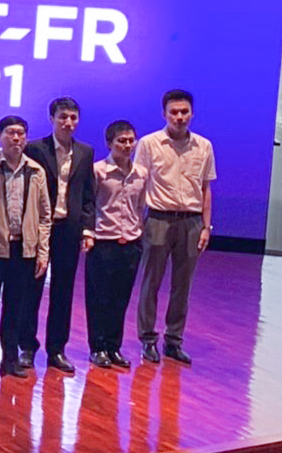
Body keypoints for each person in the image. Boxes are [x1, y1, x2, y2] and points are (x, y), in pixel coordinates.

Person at [136, 89, 215, 366]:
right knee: (151, 282)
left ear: (192, 114)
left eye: (184, 112)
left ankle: (174, 341)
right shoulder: (148, 144)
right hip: (158, 219)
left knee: (183, 285)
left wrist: (206, 227)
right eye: (174, 112)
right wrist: (135, 221)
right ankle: (147, 339)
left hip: (191, 222)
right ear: (164, 114)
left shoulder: (204, 146)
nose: (179, 117)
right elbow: (138, 184)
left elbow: (206, 189)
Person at [0, 116, 49, 379]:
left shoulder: (36, 171)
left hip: (23, 251)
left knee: (15, 308)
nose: (16, 138)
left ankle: (10, 359)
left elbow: (45, 216)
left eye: (21, 133)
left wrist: (42, 252)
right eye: (10, 132)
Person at [21, 97, 95, 374]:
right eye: (63, 117)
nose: (68, 122)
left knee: (63, 291)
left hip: (69, 230)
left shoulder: (85, 152)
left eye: (73, 117)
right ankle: (27, 347)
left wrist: (87, 229)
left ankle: (57, 349)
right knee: (32, 288)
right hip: (40, 228)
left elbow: (88, 195)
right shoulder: (35, 149)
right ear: (52, 119)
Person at [84, 120, 148, 370]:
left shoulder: (141, 173)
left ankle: (113, 347)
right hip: (103, 242)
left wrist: (137, 233)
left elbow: (140, 206)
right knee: (99, 298)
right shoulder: (98, 171)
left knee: (121, 299)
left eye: (131, 140)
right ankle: (97, 347)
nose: (127, 145)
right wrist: (89, 233)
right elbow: (89, 204)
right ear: (109, 143)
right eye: (122, 141)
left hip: (130, 243)